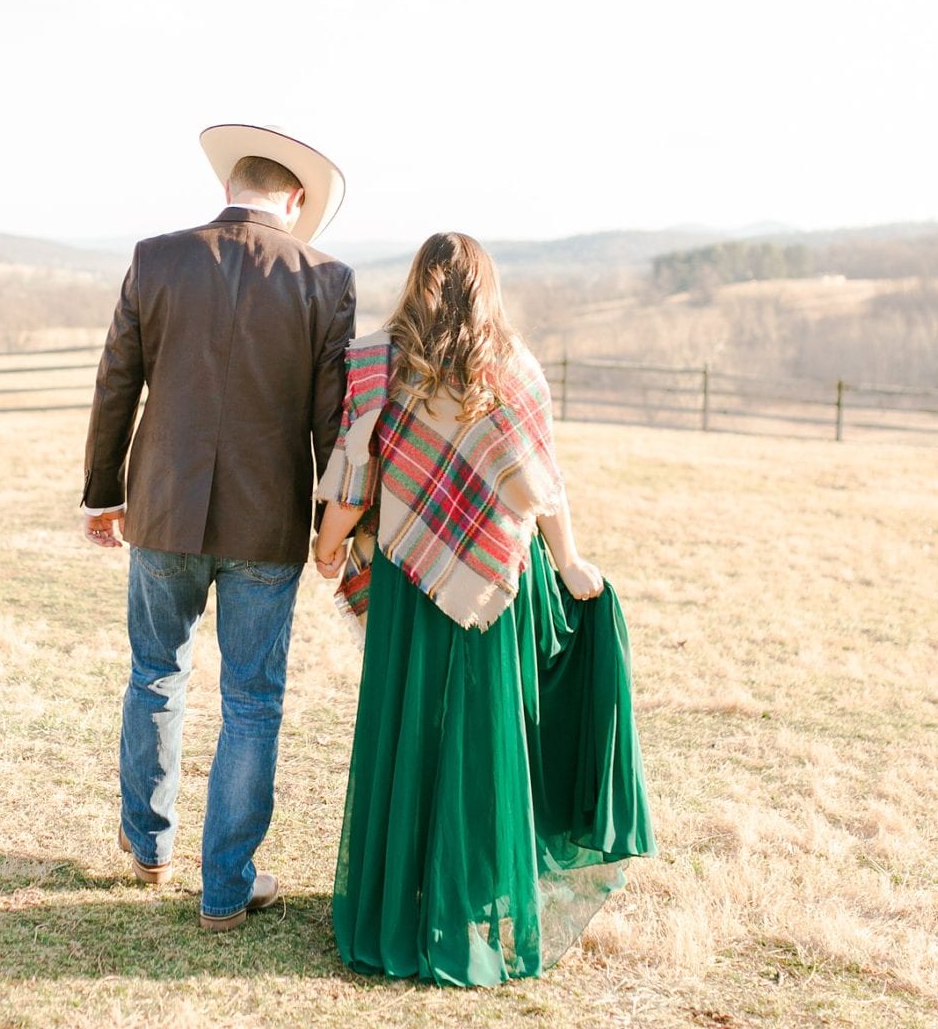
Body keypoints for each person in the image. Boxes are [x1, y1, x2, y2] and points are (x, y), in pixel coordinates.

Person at [311, 232, 654, 986]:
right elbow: (545, 484)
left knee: (407, 731)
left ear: (415, 284)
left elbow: (354, 470)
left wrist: (328, 543)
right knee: (480, 737)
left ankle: (401, 899)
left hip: (408, 574)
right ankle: (472, 896)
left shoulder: (379, 361)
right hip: (496, 580)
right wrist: (567, 562)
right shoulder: (516, 368)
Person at [81, 124, 357, 932]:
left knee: (155, 674)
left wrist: (104, 492)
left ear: (231, 184)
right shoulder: (326, 277)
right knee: (253, 702)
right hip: (267, 524)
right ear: (295, 199)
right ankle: (226, 887)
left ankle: (151, 847)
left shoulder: (155, 256)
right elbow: (331, 420)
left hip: (162, 509)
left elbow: (115, 382)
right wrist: (327, 530)